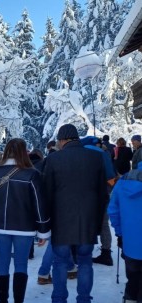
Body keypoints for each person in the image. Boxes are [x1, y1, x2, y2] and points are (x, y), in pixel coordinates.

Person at [43, 124, 108, 303]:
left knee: (60, 262)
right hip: (87, 221)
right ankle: (84, 299)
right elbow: (102, 194)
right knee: (85, 261)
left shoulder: (54, 159)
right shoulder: (96, 157)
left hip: (60, 222)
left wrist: (45, 224)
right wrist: (97, 222)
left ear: (63, 139)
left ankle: (59, 299)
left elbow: (47, 194)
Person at [0, 138, 50, 303]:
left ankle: (3, 301)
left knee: (2, 263)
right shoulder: (32, 174)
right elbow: (39, 203)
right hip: (24, 227)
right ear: (24, 152)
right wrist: (43, 231)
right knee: (21, 265)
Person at [108, 162, 142, 303]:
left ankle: (131, 296)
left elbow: (113, 210)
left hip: (130, 240)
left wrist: (120, 232)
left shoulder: (124, 181)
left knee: (133, 273)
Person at [80, 136, 116, 266]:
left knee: (86, 221)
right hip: (103, 193)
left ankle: (83, 252)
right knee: (104, 223)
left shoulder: (82, 154)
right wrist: (108, 189)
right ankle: (106, 254)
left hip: (85, 193)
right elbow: (111, 175)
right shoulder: (103, 154)